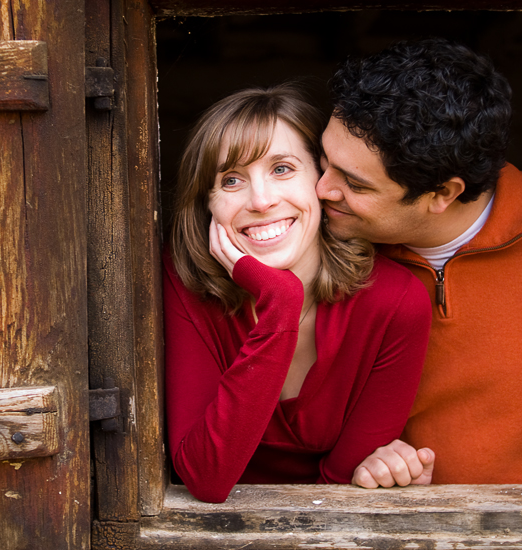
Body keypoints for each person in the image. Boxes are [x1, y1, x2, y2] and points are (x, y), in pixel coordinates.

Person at [317, 38, 522, 484]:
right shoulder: (300, 238)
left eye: (354, 183)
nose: (321, 189)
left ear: (443, 194)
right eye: (323, 159)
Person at [164, 84, 434, 503]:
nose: (261, 200)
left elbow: (347, 488)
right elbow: (205, 477)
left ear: (323, 181)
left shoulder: (395, 302)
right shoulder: (186, 285)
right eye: (231, 180)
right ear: (207, 205)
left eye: (282, 169)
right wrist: (280, 304)